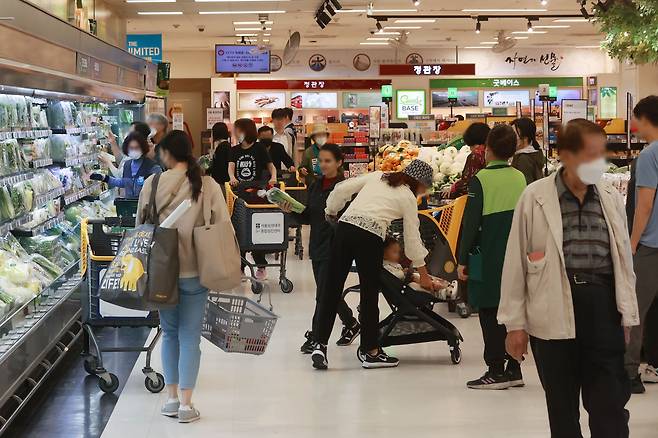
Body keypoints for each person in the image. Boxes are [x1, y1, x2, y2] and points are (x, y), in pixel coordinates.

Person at [500, 119, 639, 438]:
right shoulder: (534, 197)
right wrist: (514, 325)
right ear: (564, 154)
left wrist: (627, 313)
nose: (596, 162)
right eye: (588, 154)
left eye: (599, 154)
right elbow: (515, 263)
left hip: (603, 310)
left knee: (610, 409)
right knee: (562, 411)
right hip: (552, 312)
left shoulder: (609, 197)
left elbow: (622, 259)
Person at [136, 130, 226, 423]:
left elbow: (140, 224)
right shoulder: (208, 185)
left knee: (169, 333)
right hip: (196, 271)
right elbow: (223, 226)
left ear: (165, 154)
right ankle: (188, 405)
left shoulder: (152, 183)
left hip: (162, 273)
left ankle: (171, 399)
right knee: (190, 337)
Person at [311, 160, 435, 370]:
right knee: (369, 293)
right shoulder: (408, 197)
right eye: (425, 187)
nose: (424, 191)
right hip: (370, 236)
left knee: (331, 289)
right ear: (419, 182)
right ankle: (370, 351)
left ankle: (319, 345)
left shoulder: (379, 175)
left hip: (345, 228)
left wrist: (331, 211)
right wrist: (424, 274)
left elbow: (342, 189)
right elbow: (413, 239)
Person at [457, 124, 527, 390]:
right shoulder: (519, 177)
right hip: (516, 252)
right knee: (512, 310)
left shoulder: (481, 180)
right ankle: (514, 367)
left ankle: (495, 369)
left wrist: (462, 260)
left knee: (489, 310)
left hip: (487, 254)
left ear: (487, 149)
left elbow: (471, 224)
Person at [279, 144, 359, 354]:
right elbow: (309, 216)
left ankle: (316, 337)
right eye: (321, 161)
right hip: (317, 246)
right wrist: (290, 210)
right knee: (328, 291)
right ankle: (351, 323)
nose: (323, 165)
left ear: (339, 162)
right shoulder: (315, 185)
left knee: (323, 294)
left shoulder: (346, 188)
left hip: (336, 247)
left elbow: (349, 219)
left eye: (328, 161)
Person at [627, 95, 658, 393]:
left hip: (651, 245)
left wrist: (632, 242)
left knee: (635, 309)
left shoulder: (650, 155)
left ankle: (629, 373)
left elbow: (644, 205)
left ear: (645, 118)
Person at [228, 118, 277, 280]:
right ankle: (240, 267)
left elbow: (271, 166)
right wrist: (232, 178)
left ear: (244, 131)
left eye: (236, 130)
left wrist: (273, 178)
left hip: (257, 194)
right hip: (240, 194)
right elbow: (231, 167)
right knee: (240, 231)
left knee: (256, 230)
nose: (234, 133)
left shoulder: (259, 148)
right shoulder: (234, 150)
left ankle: (261, 266)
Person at [91, 132, 161, 198]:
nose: (134, 151)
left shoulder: (153, 167)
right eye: (131, 148)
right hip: (128, 204)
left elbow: (159, 189)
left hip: (145, 207)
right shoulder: (127, 165)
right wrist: (104, 178)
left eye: (137, 148)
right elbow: (123, 182)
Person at [382, 237, 455, 300]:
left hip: (405, 285)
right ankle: (440, 292)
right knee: (413, 285)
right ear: (384, 255)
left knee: (419, 276)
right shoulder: (386, 267)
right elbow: (393, 276)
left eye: (398, 252)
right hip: (401, 291)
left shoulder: (396, 265)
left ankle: (445, 285)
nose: (398, 255)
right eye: (395, 252)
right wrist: (402, 273)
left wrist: (405, 272)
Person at [446, 122, 490, 198]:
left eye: (470, 146)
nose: (470, 149)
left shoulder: (475, 156)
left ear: (476, 145)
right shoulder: (493, 153)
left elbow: (467, 184)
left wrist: (454, 188)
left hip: (476, 201)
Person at [511, 117, 544, 185]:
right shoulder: (534, 154)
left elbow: (524, 187)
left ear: (525, 138)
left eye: (514, 134)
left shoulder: (523, 159)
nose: (510, 138)